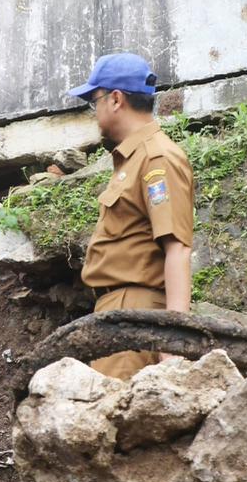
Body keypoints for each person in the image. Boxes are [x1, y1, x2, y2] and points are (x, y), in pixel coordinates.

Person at [68, 53, 194, 380]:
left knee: (120, 426)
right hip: (118, 314)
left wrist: (174, 339)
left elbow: (177, 248)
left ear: (115, 99)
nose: (93, 112)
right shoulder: (133, 158)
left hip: (134, 314)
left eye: (93, 101)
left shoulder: (156, 158)